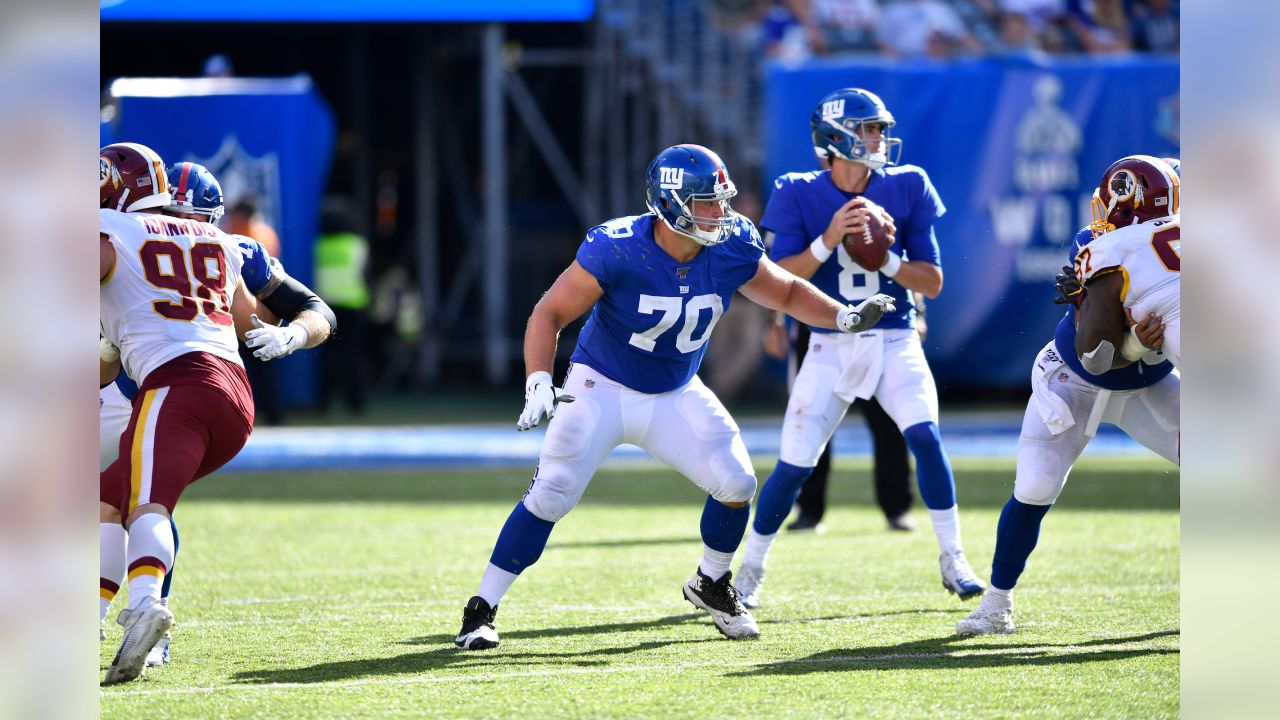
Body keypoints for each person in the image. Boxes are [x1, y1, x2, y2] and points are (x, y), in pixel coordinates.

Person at [453, 144, 895, 650]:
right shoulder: (617, 246)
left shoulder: (730, 244)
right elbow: (549, 313)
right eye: (705, 202)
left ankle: (711, 582)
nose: (719, 213)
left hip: (675, 390)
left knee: (737, 481)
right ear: (669, 204)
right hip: (602, 386)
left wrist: (843, 315)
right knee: (552, 492)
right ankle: (481, 609)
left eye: (721, 200)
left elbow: (788, 292)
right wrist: (537, 379)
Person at [735, 88, 986, 610]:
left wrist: (886, 260)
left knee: (926, 439)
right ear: (836, 137)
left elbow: (933, 281)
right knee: (793, 465)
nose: (879, 138)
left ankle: (953, 556)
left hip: (893, 339)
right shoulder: (798, 191)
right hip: (828, 343)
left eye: (878, 129)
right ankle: (750, 570)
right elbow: (780, 278)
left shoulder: (909, 183)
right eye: (868, 129)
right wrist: (829, 240)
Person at [99, 143, 337, 684]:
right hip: (222, 388)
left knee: (146, 501)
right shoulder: (222, 244)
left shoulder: (118, 232)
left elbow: (314, 311)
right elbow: (252, 317)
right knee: (112, 499)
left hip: (176, 380)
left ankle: (144, 609)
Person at [956, 155, 1180, 635]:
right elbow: (1098, 350)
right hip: (1075, 378)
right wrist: (1138, 338)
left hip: (1149, 383)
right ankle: (995, 604)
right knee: (1035, 485)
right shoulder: (1098, 244)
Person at [313, 197, 371, 414]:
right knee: (352, 355)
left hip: (325, 306)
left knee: (325, 357)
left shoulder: (318, 245)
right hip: (353, 305)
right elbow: (365, 275)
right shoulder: (357, 245)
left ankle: (322, 402)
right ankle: (355, 402)